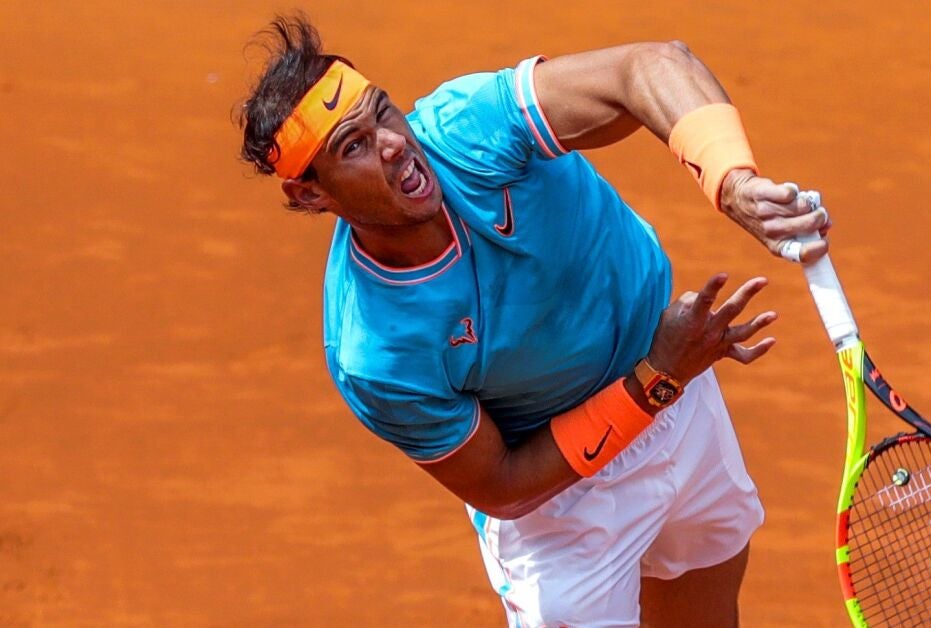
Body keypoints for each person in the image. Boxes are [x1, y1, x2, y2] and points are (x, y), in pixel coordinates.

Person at [238, 14, 829, 627]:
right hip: (563, 506)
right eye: (353, 147)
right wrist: (658, 377)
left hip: (682, 407)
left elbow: (648, 66)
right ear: (312, 194)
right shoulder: (377, 349)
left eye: (383, 111)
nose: (393, 143)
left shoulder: (467, 130)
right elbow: (503, 484)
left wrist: (733, 181)